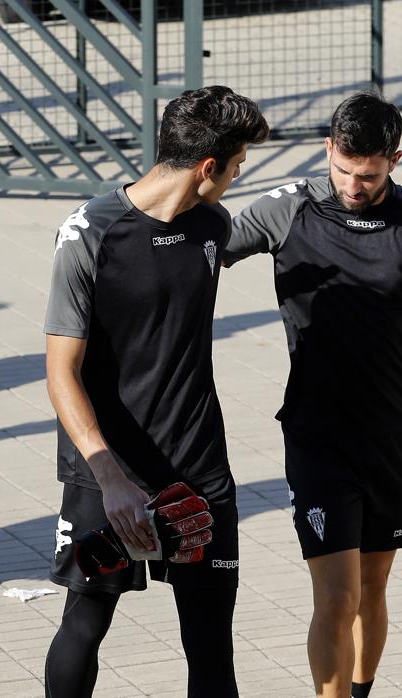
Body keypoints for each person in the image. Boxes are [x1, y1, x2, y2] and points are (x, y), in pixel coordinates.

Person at [42, 85, 268, 698]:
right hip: (108, 473)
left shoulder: (212, 226)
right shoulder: (90, 233)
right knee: (85, 623)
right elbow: (60, 372)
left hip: (200, 469)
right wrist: (112, 478)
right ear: (207, 168)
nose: (237, 176)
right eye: (238, 163)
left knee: (212, 649)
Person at [224, 92, 402, 698]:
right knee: (338, 594)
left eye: (369, 175)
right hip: (319, 436)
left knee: (374, 589)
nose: (354, 185)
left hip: (393, 441)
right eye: (344, 169)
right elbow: (206, 248)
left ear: (394, 161)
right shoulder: (289, 208)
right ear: (328, 149)